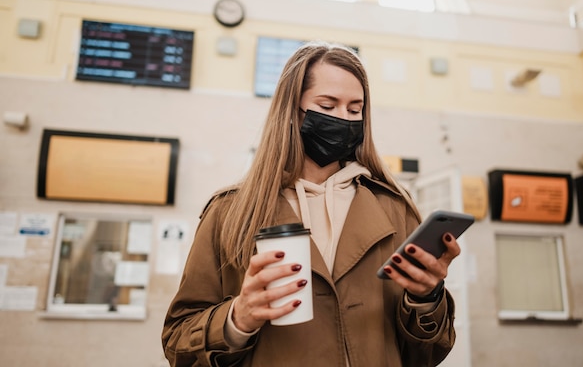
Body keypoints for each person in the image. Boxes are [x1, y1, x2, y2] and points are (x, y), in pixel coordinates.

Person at [162, 41, 460, 366]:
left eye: (355, 109)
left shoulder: (394, 208)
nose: (343, 119)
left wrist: (427, 298)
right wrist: (237, 320)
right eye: (327, 106)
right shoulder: (230, 211)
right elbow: (178, 341)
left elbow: (428, 354)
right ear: (292, 111)